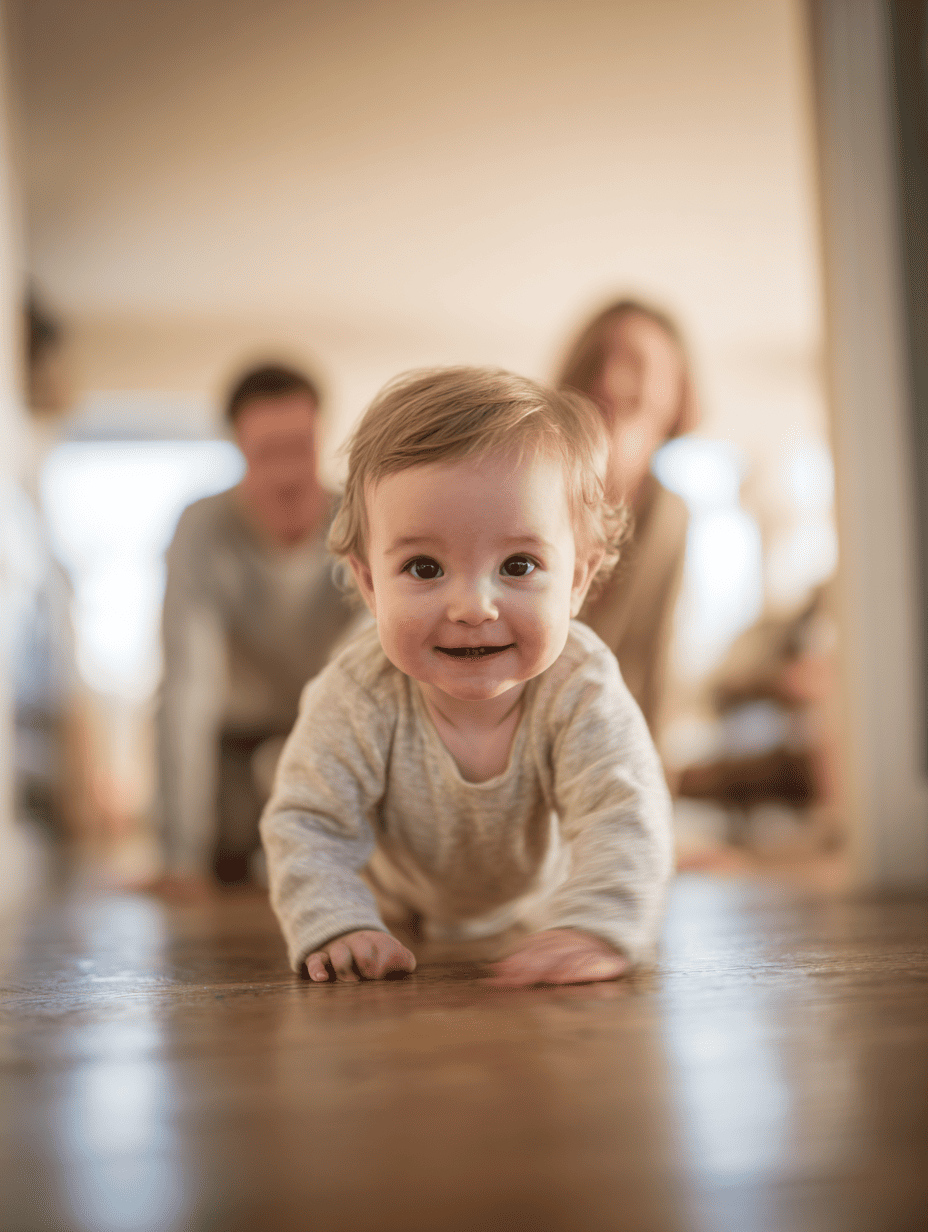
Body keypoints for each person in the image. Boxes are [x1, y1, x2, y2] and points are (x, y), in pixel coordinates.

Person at [260, 367, 673, 986]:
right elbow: (307, 822)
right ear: (370, 584)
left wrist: (595, 924)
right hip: (393, 898)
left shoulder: (580, 687)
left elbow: (624, 810)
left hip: (531, 903)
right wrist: (342, 924)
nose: (474, 607)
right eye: (424, 567)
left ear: (578, 581)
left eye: (519, 563)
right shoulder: (360, 693)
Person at [154, 363, 358, 894]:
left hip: (327, 730)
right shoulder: (201, 529)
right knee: (226, 863)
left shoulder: (360, 520)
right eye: (268, 453)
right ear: (239, 449)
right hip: (234, 740)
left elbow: (367, 663)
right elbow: (187, 686)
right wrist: (180, 856)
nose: (289, 473)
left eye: (302, 447)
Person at [557, 299, 700, 740]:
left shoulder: (670, 515)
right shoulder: (531, 490)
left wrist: (657, 790)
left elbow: (656, 662)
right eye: (599, 359)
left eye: (637, 363)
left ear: (677, 391)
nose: (612, 380)